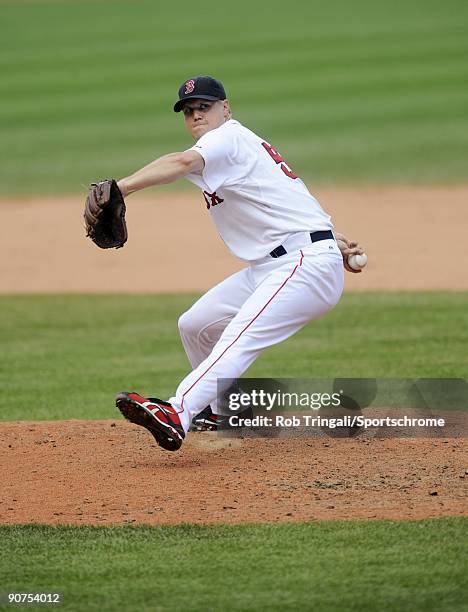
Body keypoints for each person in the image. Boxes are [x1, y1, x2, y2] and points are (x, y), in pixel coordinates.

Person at [115, 75, 364, 452]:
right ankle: (223, 411)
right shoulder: (228, 148)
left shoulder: (227, 137)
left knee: (238, 340)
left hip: (301, 265)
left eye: (204, 106)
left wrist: (122, 188)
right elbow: (278, 193)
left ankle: (178, 413)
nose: (196, 114)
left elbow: (180, 161)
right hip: (280, 264)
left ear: (225, 108)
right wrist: (328, 237)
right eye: (188, 110)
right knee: (195, 325)